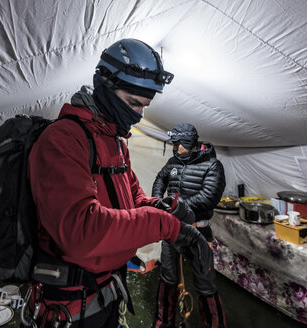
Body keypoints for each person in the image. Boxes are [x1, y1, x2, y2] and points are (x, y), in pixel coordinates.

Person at [26, 39, 210, 327]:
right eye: (133, 103)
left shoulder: (115, 142)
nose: (138, 114)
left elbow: (133, 200)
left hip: (109, 290)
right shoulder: (63, 140)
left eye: (145, 106)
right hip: (70, 305)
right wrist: (167, 226)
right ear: (105, 85)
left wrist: (164, 208)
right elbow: (81, 231)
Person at [151, 123, 227, 328]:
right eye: (173, 144)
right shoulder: (173, 162)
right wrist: (157, 200)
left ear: (189, 143)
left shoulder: (212, 166)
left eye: (178, 144)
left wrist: (178, 207)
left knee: (205, 284)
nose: (174, 148)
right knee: (168, 278)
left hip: (198, 231)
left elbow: (209, 197)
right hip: (172, 229)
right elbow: (161, 178)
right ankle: (163, 323)